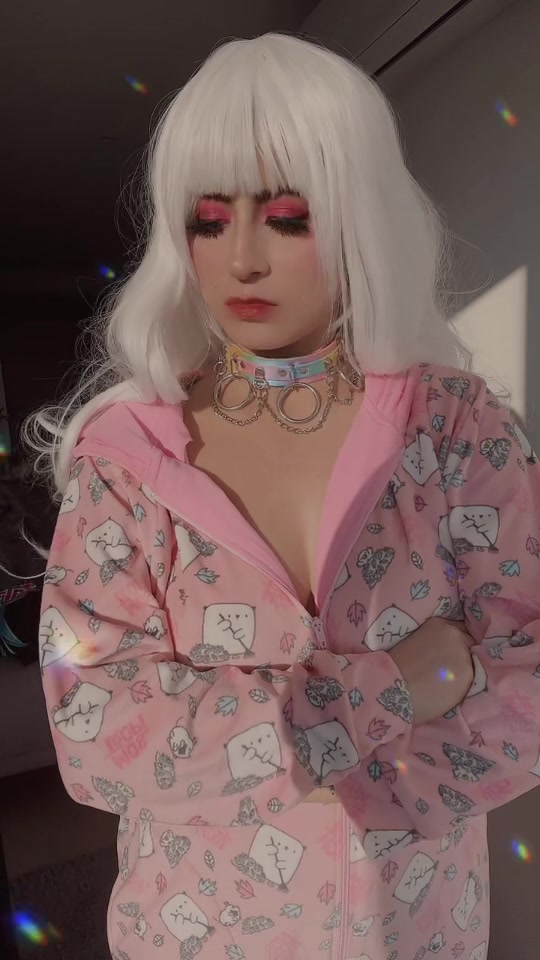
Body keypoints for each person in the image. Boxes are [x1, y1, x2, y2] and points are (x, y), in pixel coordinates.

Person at [24, 32, 540, 960]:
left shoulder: (456, 429)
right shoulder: (128, 457)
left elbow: (530, 684)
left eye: (289, 218)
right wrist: (392, 688)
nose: (243, 259)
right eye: (209, 220)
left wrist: (282, 770)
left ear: (357, 214)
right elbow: (97, 733)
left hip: (413, 934)